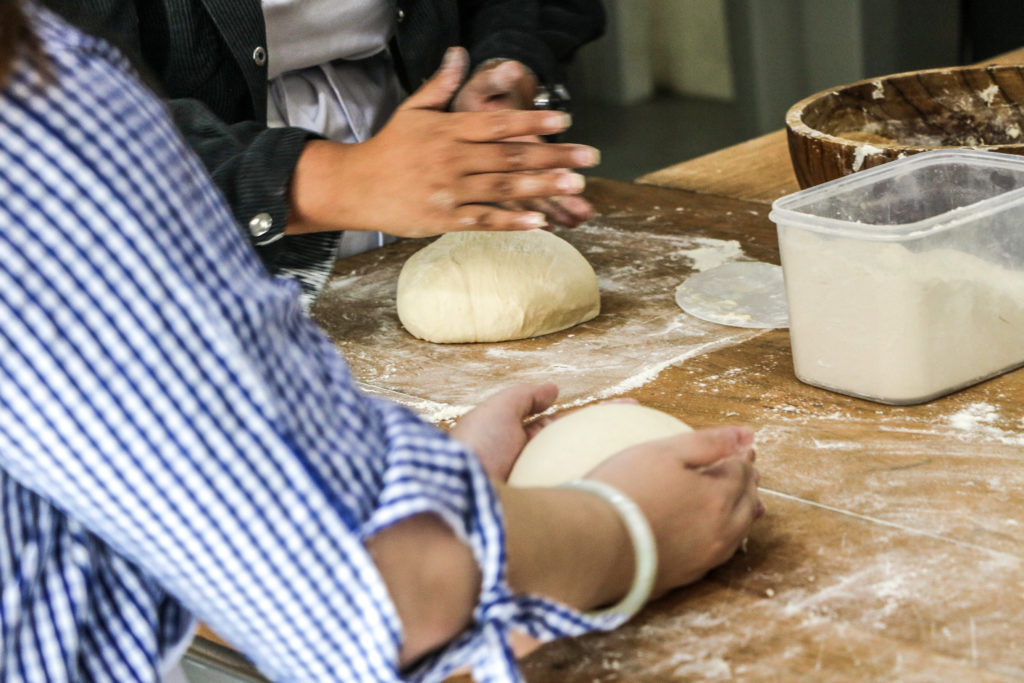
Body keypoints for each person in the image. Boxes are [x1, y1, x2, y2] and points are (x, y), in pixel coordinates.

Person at [0, 4, 762, 681]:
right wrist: (625, 528)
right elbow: (380, 596)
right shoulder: (41, 117)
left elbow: (169, 512)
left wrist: (413, 479)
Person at [44, 0, 607, 299]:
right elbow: (54, 123)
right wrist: (336, 181)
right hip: (191, 239)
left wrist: (504, 58)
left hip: (429, 189)